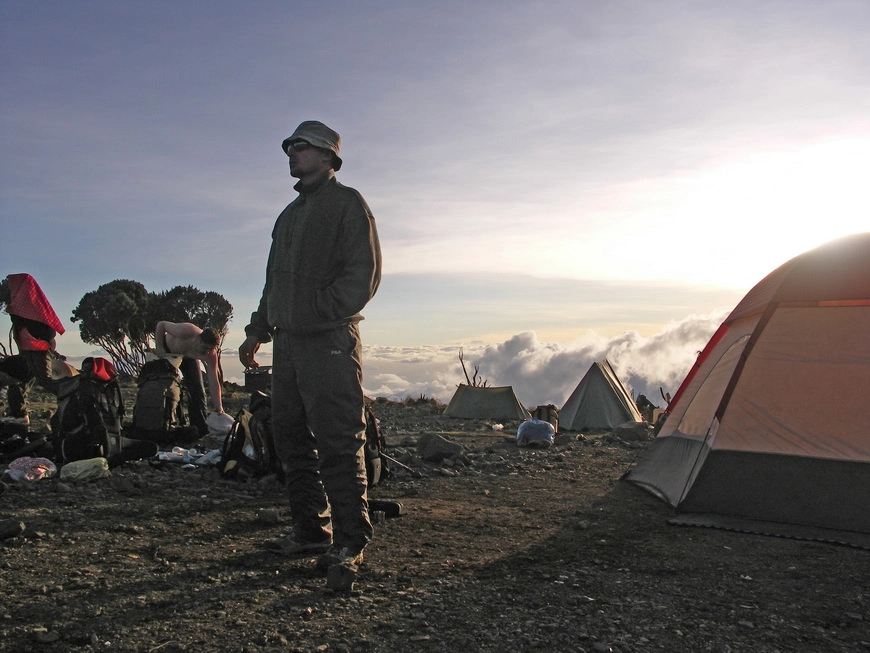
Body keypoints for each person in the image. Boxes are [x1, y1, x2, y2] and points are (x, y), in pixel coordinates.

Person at [239, 120, 381, 587]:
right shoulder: (288, 216)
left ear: (327, 156)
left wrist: (317, 311)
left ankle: (351, 541)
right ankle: (310, 532)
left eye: (299, 146)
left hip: (330, 341)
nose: (291, 153)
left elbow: (363, 276)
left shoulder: (348, 204)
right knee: (291, 438)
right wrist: (257, 330)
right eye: (288, 147)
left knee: (339, 440)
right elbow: (273, 282)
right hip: (287, 345)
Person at [0, 274, 65, 425]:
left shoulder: (31, 307)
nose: (10, 288)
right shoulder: (20, 306)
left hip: (37, 349)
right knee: (19, 379)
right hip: (27, 349)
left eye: (13, 285)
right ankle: (19, 415)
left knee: (45, 380)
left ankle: (76, 401)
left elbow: (47, 332)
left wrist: (45, 345)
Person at [154, 321, 224, 435]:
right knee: (164, 388)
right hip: (168, 352)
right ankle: (161, 424)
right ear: (199, 339)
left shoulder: (210, 354)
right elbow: (161, 325)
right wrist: (159, 346)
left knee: (197, 391)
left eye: (210, 349)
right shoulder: (185, 331)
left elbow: (213, 380)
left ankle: (199, 429)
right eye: (205, 347)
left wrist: (219, 406)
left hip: (188, 358)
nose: (206, 352)